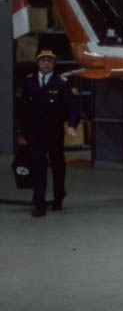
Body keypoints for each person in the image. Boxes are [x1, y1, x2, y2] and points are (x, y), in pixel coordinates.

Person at [16, 50, 80, 217]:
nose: (46, 63)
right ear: (38, 63)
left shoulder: (61, 83)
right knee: (38, 167)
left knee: (58, 166)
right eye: (43, 60)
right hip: (35, 133)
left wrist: (72, 125)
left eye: (50, 61)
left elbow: (73, 107)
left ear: (54, 63)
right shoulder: (29, 82)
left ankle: (58, 197)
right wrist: (21, 133)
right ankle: (39, 203)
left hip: (54, 132)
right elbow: (23, 110)